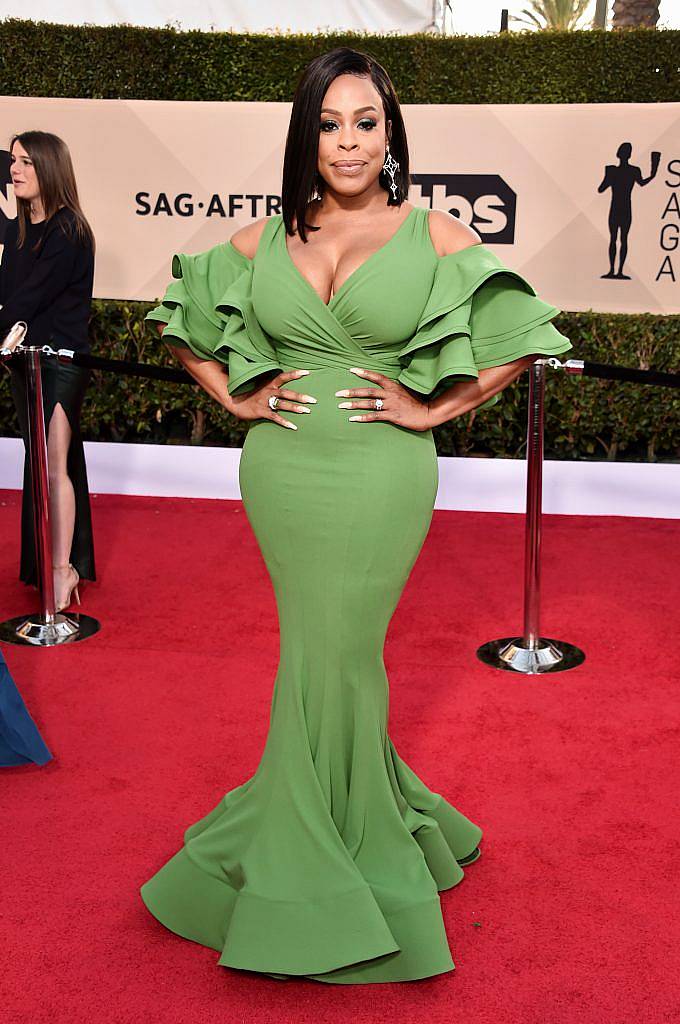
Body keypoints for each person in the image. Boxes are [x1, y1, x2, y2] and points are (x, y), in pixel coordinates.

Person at [141, 47, 572, 984]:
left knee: (337, 651)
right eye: (330, 123)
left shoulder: (433, 232)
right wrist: (236, 399)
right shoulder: (265, 239)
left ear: (391, 132)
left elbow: (527, 334)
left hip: (383, 473)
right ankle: (345, 821)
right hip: (284, 471)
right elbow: (181, 314)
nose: (348, 142)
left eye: (365, 122)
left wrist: (432, 408)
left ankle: (326, 853)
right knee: (316, 648)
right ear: (307, 135)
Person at [0, 131, 96, 612]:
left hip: (58, 365)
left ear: (48, 169)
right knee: (41, 468)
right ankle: (53, 564)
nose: (14, 170)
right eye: (13, 161)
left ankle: (63, 571)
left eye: (25, 163)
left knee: (54, 469)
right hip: (25, 364)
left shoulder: (68, 231)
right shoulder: (20, 235)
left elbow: (25, 301)